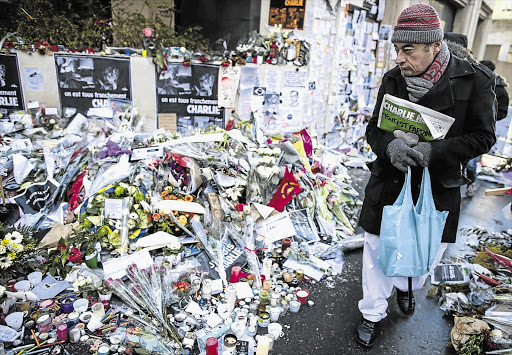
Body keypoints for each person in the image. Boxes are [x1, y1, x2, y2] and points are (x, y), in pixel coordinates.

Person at [355, 3, 496, 348]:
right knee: (375, 250)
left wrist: (436, 152)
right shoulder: (392, 78)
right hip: (390, 180)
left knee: (421, 253)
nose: (400, 58)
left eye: (408, 50)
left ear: (434, 46)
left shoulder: (475, 79)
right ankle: (372, 312)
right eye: (397, 49)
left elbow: (484, 137)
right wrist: (389, 147)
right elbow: (374, 130)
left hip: (436, 186)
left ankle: (406, 288)